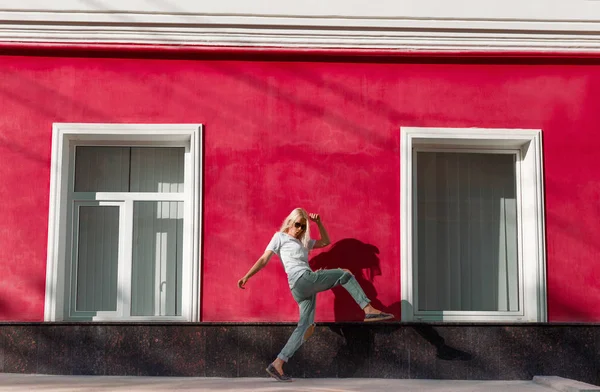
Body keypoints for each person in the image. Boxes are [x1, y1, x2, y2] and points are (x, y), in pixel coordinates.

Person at [237, 207, 394, 382]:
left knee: (306, 327)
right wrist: (247, 276)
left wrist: (318, 223)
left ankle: (278, 363)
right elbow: (264, 259)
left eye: (303, 227)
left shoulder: (303, 242)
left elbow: (326, 241)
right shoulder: (279, 237)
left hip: (303, 288)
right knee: (345, 274)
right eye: (298, 225)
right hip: (301, 279)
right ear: (290, 222)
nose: (300, 230)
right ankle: (368, 309)